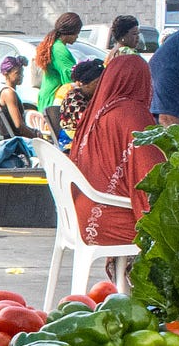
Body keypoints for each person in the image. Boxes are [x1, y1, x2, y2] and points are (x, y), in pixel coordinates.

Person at [68, 55, 163, 250]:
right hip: (106, 220)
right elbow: (150, 179)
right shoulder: (132, 114)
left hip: (77, 215)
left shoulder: (96, 112)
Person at [35, 11, 84, 119]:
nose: (77, 37)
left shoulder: (54, 45)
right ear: (70, 31)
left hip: (47, 97)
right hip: (55, 101)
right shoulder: (60, 50)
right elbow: (71, 79)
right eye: (77, 33)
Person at [55, 59, 105, 142]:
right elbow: (86, 122)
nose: (101, 86)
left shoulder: (92, 96)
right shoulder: (74, 98)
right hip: (71, 142)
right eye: (97, 83)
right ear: (86, 84)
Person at [0, 54, 39, 139]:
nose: (21, 76)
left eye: (22, 73)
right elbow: (19, 126)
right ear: (6, 74)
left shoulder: (11, 92)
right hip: (16, 140)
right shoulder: (9, 93)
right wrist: (35, 137)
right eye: (17, 73)